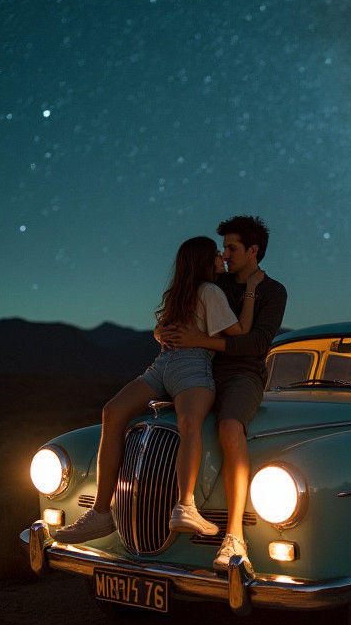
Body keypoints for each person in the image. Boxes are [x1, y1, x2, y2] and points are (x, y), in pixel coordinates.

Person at [54, 236, 263, 545]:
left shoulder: (203, 292)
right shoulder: (206, 291)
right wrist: (250, 292)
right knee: (116, 412)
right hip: (167, 366)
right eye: (216, 254)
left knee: (183, 423)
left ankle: (184, 504)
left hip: (184, 366)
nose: (222, 257)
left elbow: (233, 336)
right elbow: (240, 332)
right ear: (202, 261)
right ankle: (103, 512)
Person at [157, 215, 287, 573]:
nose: (225, 255)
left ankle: (235, 538)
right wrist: (163, 333)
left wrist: (200, 340)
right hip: (200, 369)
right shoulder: (216, 281)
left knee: (230, 426)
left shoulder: (273, 291)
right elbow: (183, 310)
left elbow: (255, 343)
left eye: (231, 248)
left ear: (253, 250)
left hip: (243, 373)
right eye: (223, 248)